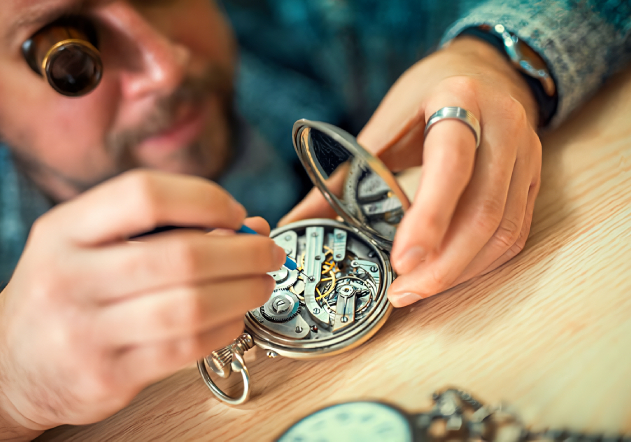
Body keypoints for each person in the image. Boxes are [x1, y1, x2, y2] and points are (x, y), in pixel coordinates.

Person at [0, 0, 629, 439]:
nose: (165, 67)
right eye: (71, 52)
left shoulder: (297, 21)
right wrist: (12, 388)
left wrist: (497, 57)